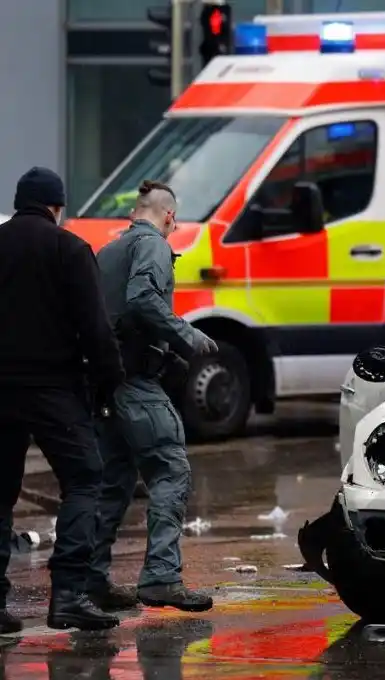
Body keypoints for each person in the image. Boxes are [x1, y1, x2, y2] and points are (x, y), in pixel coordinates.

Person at [0, 167, 124, 632]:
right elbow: (95, 328)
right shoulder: (67, 248)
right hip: (53, 388)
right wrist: (111, 382)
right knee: (85, 478)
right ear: (57, 207)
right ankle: (69, 594)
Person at [89, 180, 219, 612]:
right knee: (170, 469)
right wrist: (188, 336)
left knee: (114, 481)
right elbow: (143, 297)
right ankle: (162, 577)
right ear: (166, 215)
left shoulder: (107, 253)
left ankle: (92, 581)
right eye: (174, 218)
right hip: (136, 383)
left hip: (105, 384)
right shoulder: (154, 247)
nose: (174, 224)